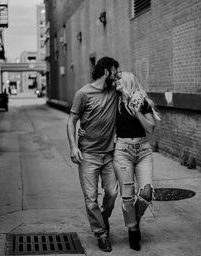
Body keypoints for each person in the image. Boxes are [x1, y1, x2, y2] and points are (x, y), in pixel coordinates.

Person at [67, 56, 120, 252]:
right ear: (106, 72)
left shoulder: (115, 91)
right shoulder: (83, 93)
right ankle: (101, 234)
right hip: (88, 155)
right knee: (91, 198)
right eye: (114, 72)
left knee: (112, 193)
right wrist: (73, 146)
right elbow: (72, 120)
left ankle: (102, 220)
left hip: (109, 155)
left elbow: (131, 88)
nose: (117, 75)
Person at [113, 71, 161, 251]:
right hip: (122, 151)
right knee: (127, 195)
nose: (116, 81)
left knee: (146, 193)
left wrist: (137, 112)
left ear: (127, 82)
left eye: (119, 79)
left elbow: (151, 128)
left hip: (143, 150)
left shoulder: (142, 102)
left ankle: (135, 219)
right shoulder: (114, 102)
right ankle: (132, 230)